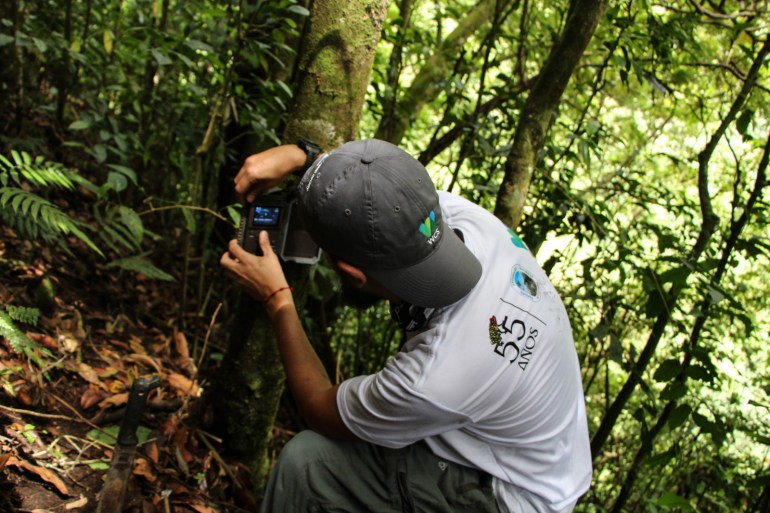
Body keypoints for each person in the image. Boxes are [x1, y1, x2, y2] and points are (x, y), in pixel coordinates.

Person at [220, 139, 592, 513]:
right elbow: (376, 191)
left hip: (511, 496)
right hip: (547, 462)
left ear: (350, 273)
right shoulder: (472, 223)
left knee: (308, 466)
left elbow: (318, 408)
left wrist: (278, 299)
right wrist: (304, 157)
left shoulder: (433, 376)